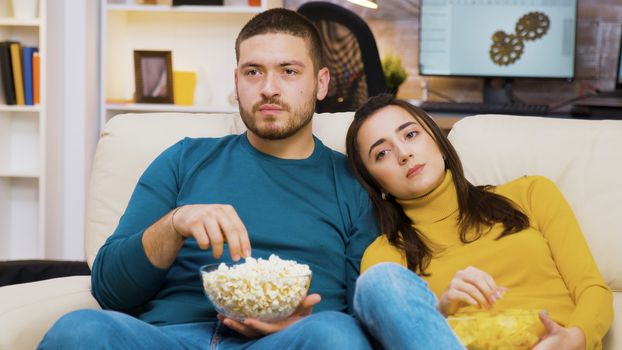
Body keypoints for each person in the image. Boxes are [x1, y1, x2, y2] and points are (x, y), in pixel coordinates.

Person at [38, 9, 381, 349]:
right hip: (172, 337)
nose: (269, 88)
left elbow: (364, 313)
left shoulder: (353, 183)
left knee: (337, 335)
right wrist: (174, 224)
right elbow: (110, 289)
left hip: (287, 342)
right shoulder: (185, 159)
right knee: (79, 330)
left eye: (288, 71)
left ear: (321, 83)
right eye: (253, 72)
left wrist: (300, 323)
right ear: (236, 82)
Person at [346, 93, 613, 350]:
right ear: (374, 182)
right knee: (378, 282)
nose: (403, 153)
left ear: (437, 140)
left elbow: (592, 289)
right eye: (381, 153)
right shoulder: (385, 260)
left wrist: (575, 340)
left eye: (411, 134)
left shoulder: (531, 195)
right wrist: (441, 311)